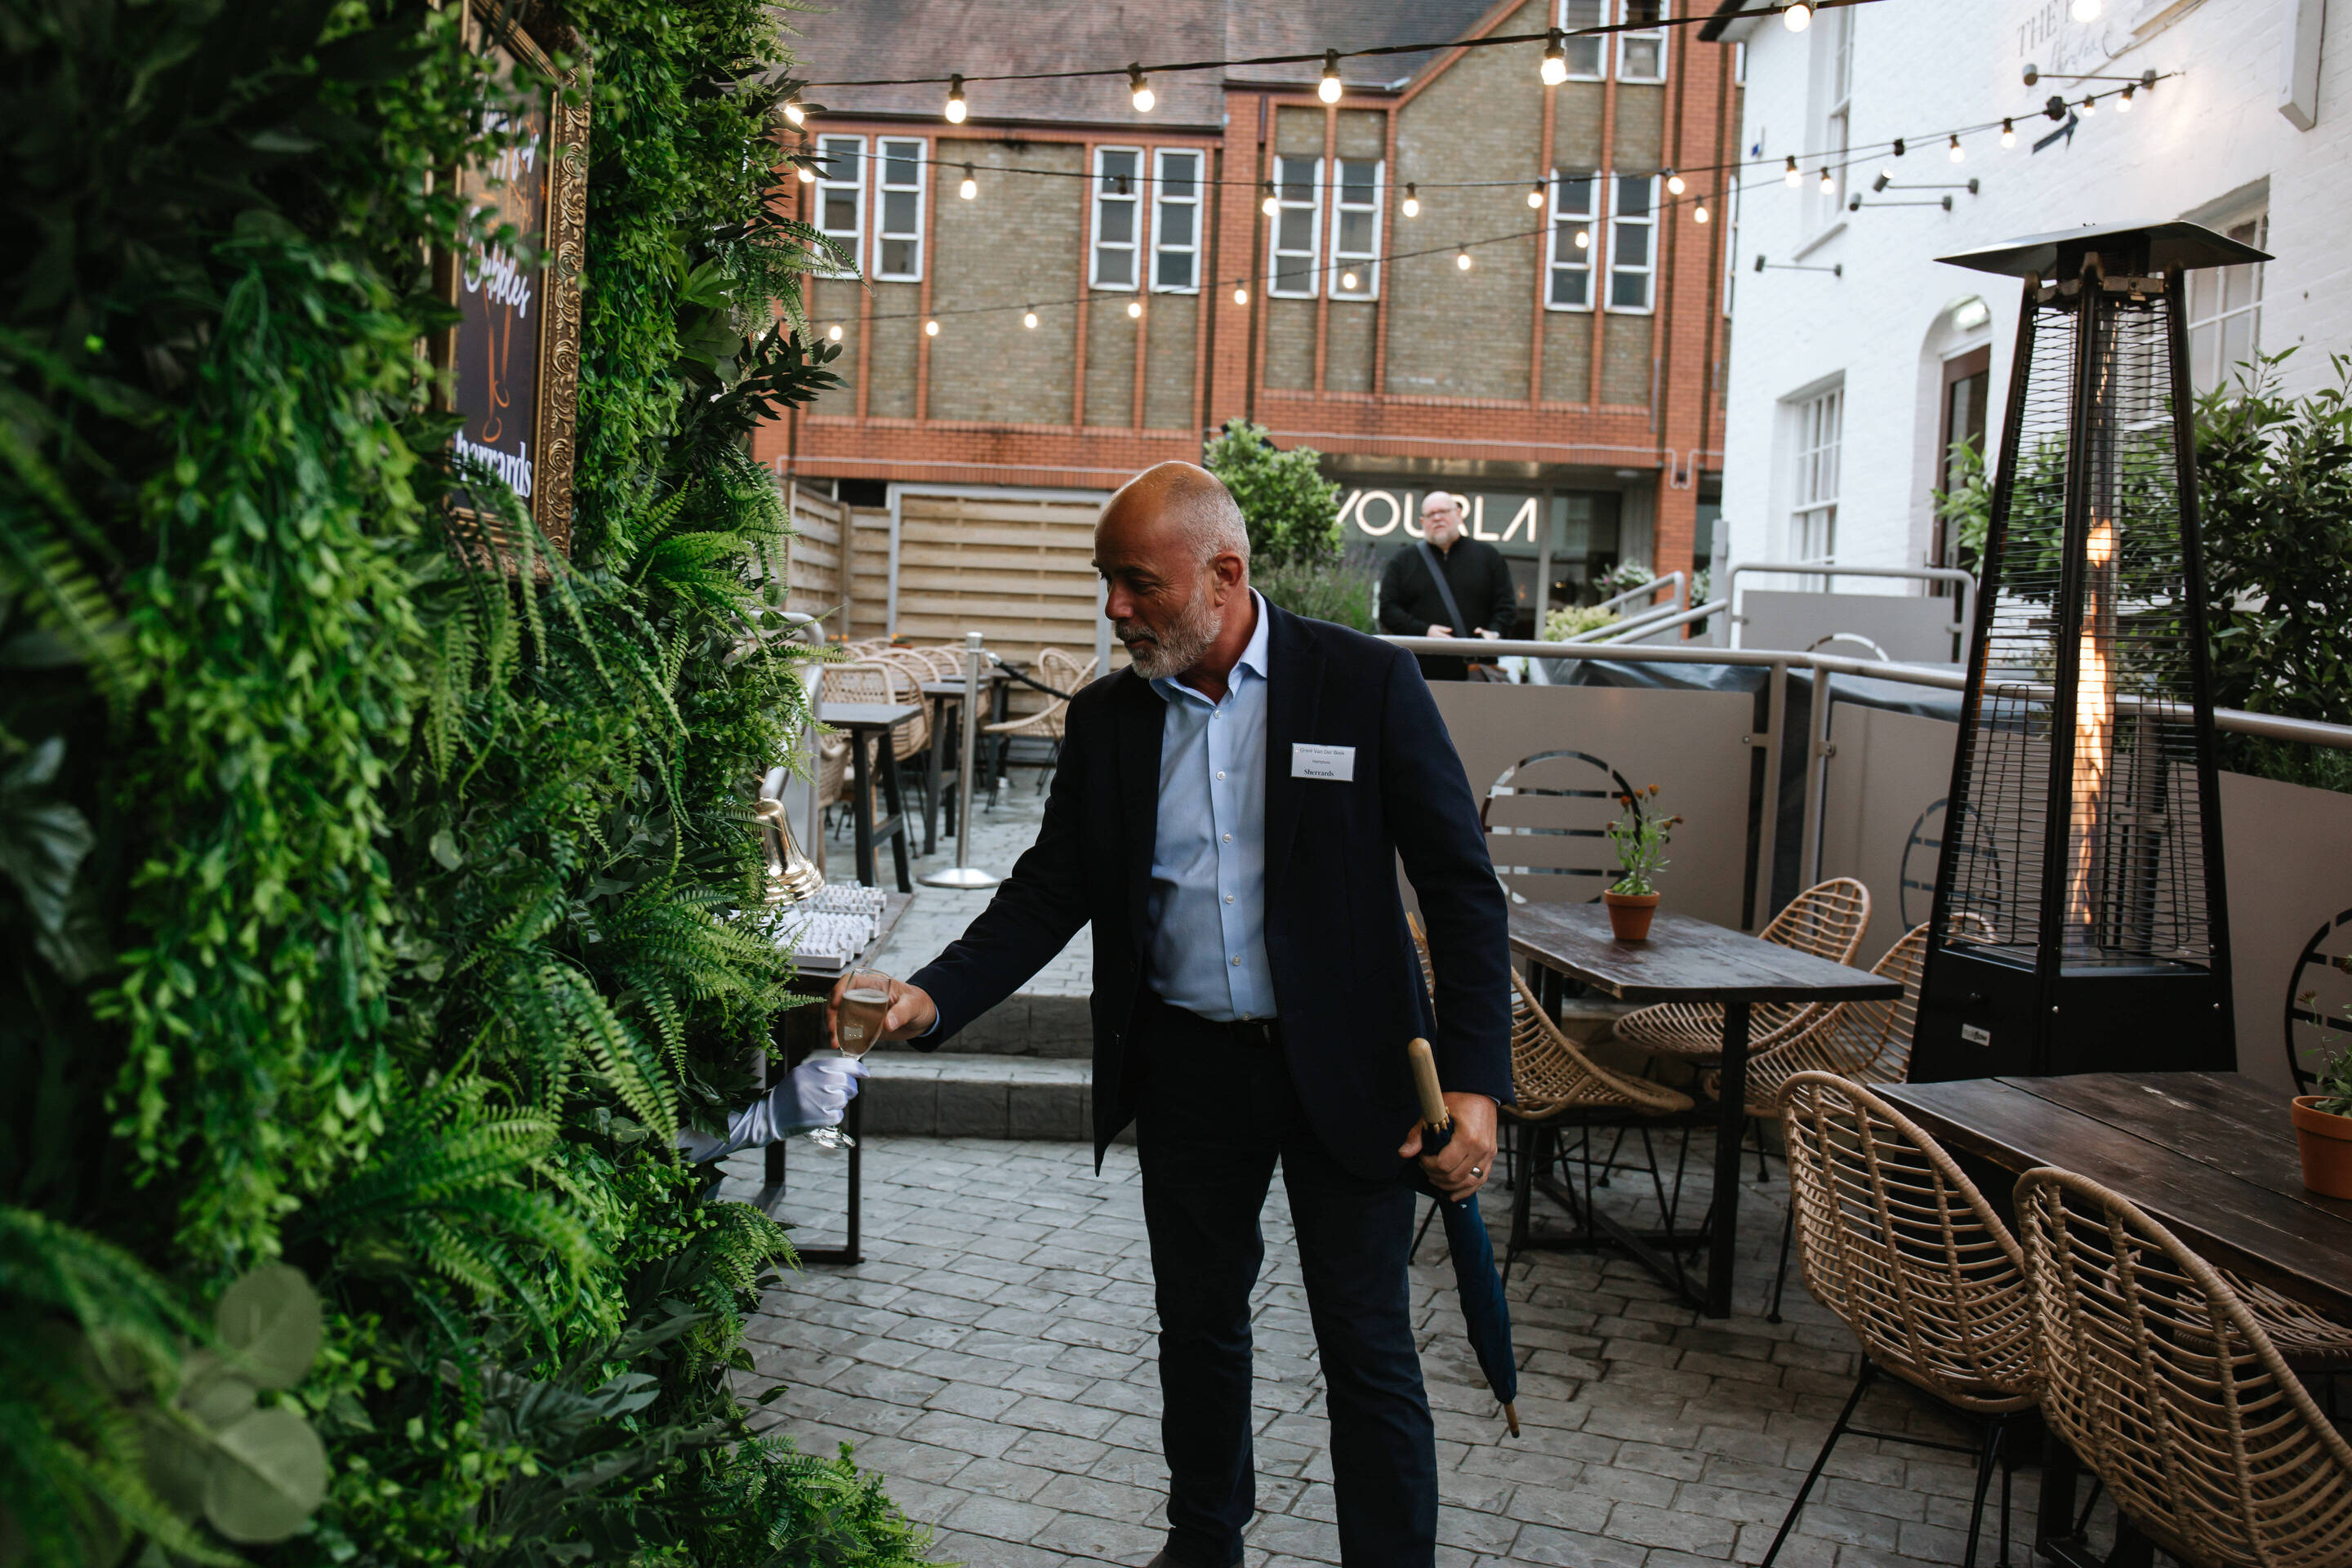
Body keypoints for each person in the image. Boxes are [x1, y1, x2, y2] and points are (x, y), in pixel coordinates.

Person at [826, 462, 1510, 1568]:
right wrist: (933, 993)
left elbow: (1463, 890)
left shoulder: (1363, 682)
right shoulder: (1108, 720)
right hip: (1192, 1069)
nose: (1115, 607)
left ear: (1224, 574)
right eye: (1107, 579)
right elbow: (1049, 890)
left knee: (1367, 1344)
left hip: (1354, 1073)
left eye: (1139, 582)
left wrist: (1476, 1085)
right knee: (1198, 1328)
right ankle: (1203, 1543)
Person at [1375, 492, 1520, 682]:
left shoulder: (1488, 556)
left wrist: (1493, 633)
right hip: (1420, 674)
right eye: (1430, 514)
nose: (1437, 518)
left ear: (1459, 514)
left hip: (1476, 673)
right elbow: (1387, 610)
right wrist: (1424, 631)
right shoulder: (1403, 561)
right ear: (1422, 522)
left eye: (1443, 511)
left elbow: (1506, 606)